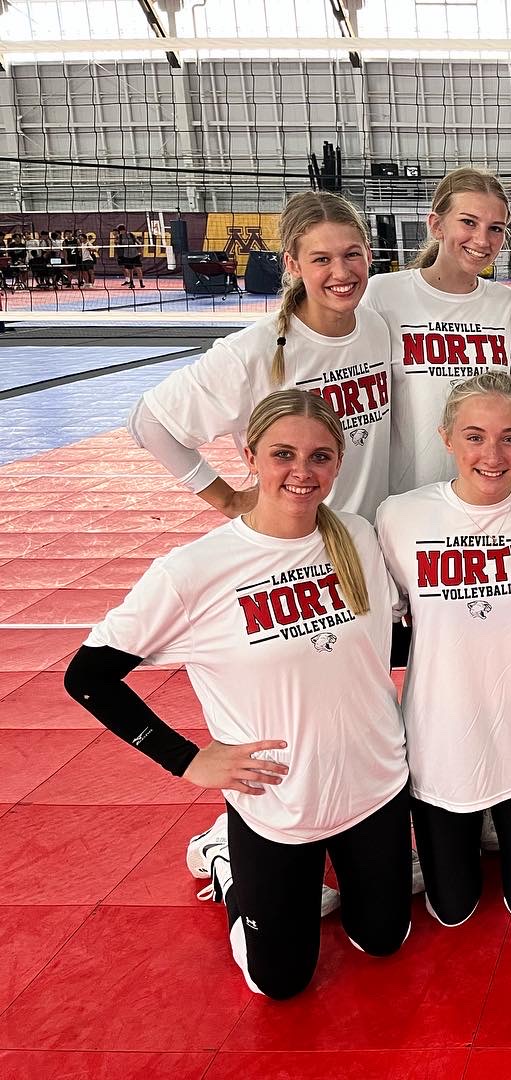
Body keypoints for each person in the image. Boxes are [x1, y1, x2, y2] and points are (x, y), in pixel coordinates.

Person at [64, 390, 413, 999]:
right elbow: (88, 677)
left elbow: (377, 644)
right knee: (280, 983)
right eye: (283, 454)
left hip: (374, 782)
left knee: (382, 940)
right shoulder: (194, 572)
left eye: (320, 456)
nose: (302, 472)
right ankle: (227, 860)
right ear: (250, 457)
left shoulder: (358, 537)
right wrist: (188, 760)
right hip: (276, 798)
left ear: (338, 463)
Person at [376, 372, 511, 927]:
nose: (493, 454)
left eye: (510, 437)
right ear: (446, 438)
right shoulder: (400, 516)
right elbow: (384, 619)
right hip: (443, 741)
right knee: (451, 910)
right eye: (475, 436)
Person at [129, 191, 391, 521]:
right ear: (293, 264)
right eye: (321, 259)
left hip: (368, 534)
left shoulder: (376, 327)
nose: (341, 272)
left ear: (368, 254)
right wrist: (229, 500)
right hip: (297, 538)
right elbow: (149, 421)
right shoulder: (252, 350)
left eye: (351, 254)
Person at [365, 167, 511, 495]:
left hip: (486, 493)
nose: (482, 240)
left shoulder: (507, 304)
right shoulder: (384, 294)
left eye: (496, 228)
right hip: (408, 495)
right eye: (469, 222)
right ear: (436, 225)